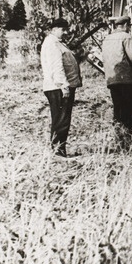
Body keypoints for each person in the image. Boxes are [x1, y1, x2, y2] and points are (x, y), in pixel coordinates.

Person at [101, 15, 132, 147]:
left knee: (119, 110)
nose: (129, 29)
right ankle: (127, 138)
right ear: (125, 25)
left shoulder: (107, 39)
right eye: (129, 26)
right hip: (127, 80)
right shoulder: (126, 37)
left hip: (112, 79)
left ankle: (119, 140)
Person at [40, 17, 82, 159]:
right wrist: (64, 87)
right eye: (63, 29)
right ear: (55, 29)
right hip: (57, 87)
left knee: (61, 119)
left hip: (57, 86)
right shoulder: (52, 44)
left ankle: (58, 149)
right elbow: (56, 67)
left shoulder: (56, 43)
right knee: (61, 120)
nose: (65, 32)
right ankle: (58, 151)